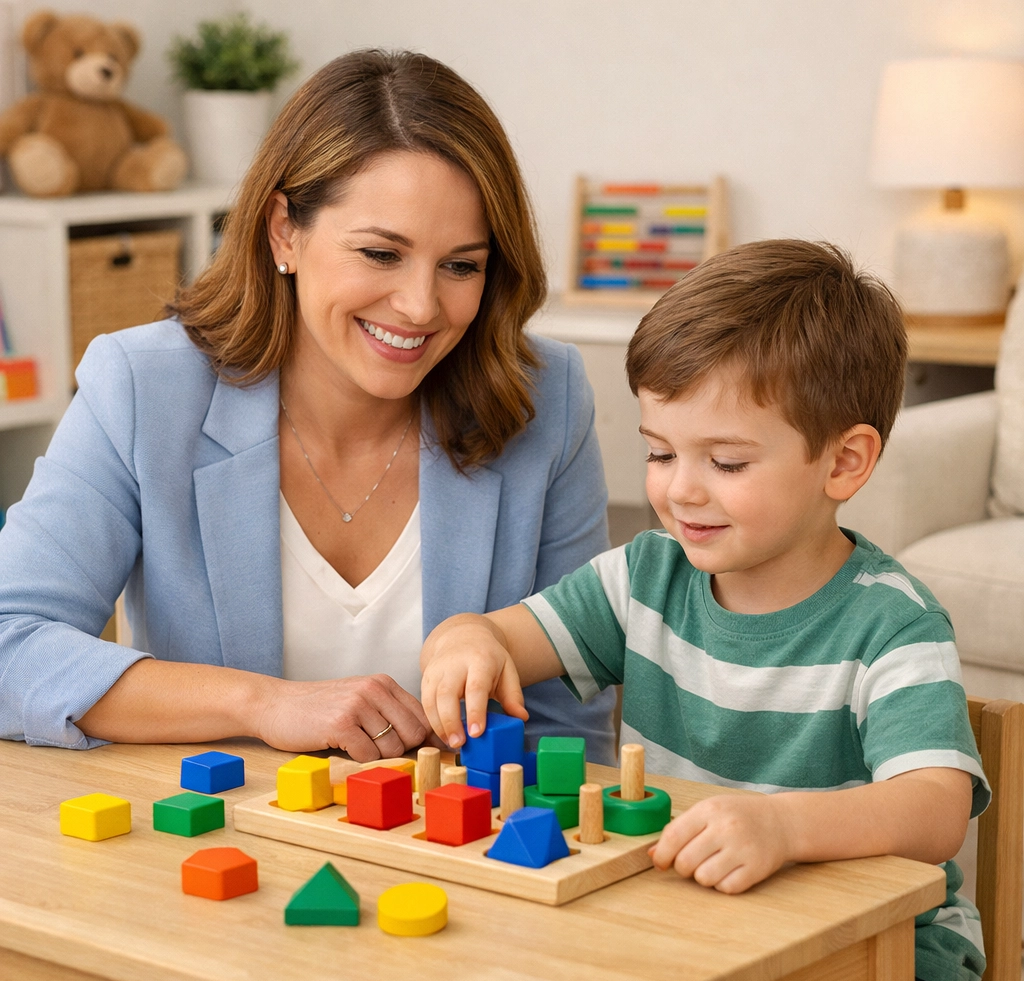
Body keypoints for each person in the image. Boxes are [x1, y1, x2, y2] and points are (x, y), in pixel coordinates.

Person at [420, 240, 985, 981]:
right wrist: (465, 638)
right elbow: (506, 637)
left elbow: (935, 811)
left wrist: (783, 826)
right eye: (659, 453)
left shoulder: (892, 623)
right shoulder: (646, 578)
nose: (680, 490)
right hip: (697, 926)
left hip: (881, 954)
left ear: (844, 462)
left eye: (725, 462)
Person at [0, 49, 616, 764]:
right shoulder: (143, 386)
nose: (420, 307)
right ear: (283, 231)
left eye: (461, 265)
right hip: (213, 854)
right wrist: (262, 703)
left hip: (458, 863)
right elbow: (11, 642)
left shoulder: (548, 399)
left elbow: (568, 732)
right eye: (381, 254)